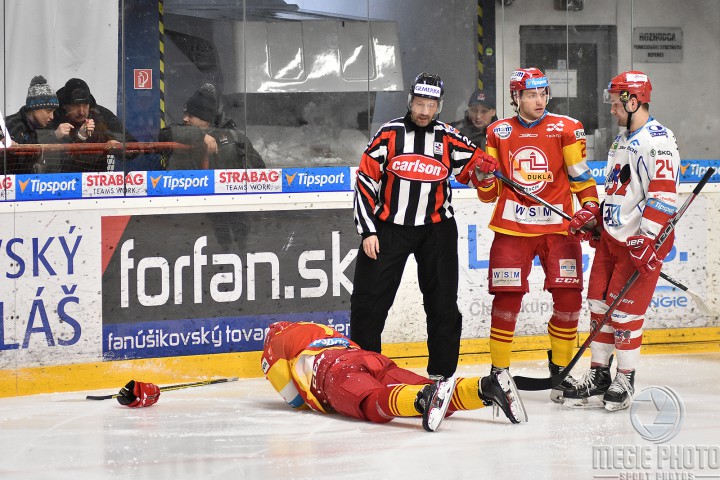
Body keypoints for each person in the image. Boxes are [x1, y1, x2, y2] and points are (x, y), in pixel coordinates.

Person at [350, 72, 493, 386]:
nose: (424, 111)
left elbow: (477, 171)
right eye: (419, 103)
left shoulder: (449, 137)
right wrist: (368, 231)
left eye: (431, 105)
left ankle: (441, 376)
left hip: (436, 229)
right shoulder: (389, 134)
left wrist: (487, 170)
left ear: (439, 105)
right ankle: (364, 371)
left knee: (443, 303)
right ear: (410, 101)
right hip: (388, 227)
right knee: (368, 302)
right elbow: (365, 181)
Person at [474, 67, 600, 403]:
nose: (539, 100)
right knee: (506, 301)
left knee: (569, 301)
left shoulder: (567, 128)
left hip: (559, 229)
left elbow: (581, 177)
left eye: (543, 93)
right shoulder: (497, 132)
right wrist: (483, 178)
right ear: (515, 97)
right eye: (531, 94)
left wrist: (590, 207)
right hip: (512, 229)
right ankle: (499, 375)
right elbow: (488, 195)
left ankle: (561, 373)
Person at [562, 71, 679, 411]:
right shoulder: (622, 140)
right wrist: (596, 220)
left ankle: (625, 378)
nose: (612, 110)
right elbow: (618, 191)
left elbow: (663, 194)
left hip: (639, 242)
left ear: (633, 102)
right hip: (613, 240)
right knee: (599, 305)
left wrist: (647, 237)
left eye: (616, 104)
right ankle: (599, 374)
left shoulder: (658, 140)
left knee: (625, 313)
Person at [262, 320, 527, 431]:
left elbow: (294, 398)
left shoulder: (274, 344)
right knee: (441, 396)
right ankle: (485, 388)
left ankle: (422, 398)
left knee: (371, 402)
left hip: (334, 370)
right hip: (370, 358)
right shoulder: (318, 327)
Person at [159, 83, 265, 170]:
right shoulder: (182, 132)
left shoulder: (235, 137)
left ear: (205, 120)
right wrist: (200, 136)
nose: (185, 119)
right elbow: (164, 133)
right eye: (185, 114)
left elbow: (259, 170)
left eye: (190, 116)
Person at [50, 77, 138, 172]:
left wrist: (119, 148)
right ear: (65, 105)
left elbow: (133, 147)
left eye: (85, 105)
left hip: (97, 177)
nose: (81, 112)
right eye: (76, 106)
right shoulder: (53, 116)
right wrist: (55, 136)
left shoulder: (101, 115)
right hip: (61, 178)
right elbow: (41, 149)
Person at [4, 75, 60, 174]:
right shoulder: (12, 126)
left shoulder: (35, 126)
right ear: (34, 108)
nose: (52, 116)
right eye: (49, 111)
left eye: (53, 112)